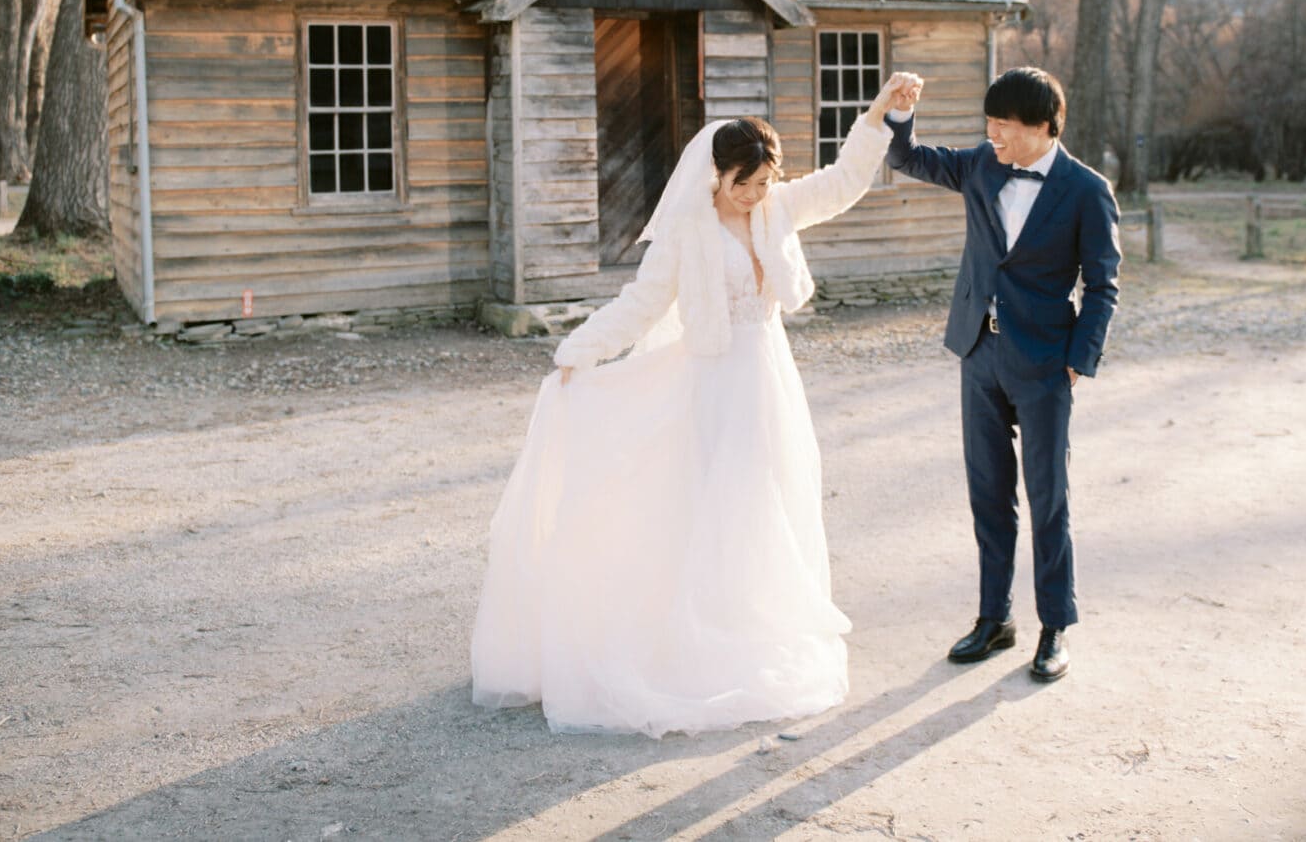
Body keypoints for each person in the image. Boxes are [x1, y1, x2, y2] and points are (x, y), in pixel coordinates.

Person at [471, 72, 920, 737]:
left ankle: (758, 623)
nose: (757, 195)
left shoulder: (775, 208)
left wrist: (880, 115)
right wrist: (580, 349)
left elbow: (842, 181)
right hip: (712, 383)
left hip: (768, 375)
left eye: (765, 182)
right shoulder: (688, 230)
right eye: (746, 185)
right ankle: (704, 635)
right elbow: (642, 303)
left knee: (773, 493)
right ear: (716, 178)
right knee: (718, 500)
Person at [882, 66, 1120, 683]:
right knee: (988, 496)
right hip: (977, 356)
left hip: (1044, 365)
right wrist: (902, 111)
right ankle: (995, 620)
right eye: (988, 126)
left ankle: (1054, 629)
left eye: (1004, 127)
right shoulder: (981, 165)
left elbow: (1103, 286)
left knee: (1048, 500)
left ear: (1044, 127)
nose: (993, 137)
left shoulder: (1088, 191)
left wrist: (1077, 360)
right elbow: (905, 156)